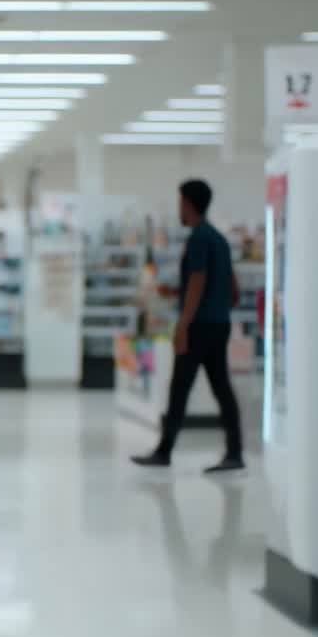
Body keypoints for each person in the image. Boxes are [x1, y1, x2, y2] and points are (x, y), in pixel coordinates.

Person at [132, 179, 245, 474]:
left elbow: (197, 281)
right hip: (218, 324)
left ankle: (164, 451)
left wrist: (183, 326)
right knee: (222, 388)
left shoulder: (198, 238)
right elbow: (233, 289)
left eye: (181, 202)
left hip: (198, 327)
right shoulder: (218, 239)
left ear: (190, 204)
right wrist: (210, 305)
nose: (179, 208)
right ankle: (235, 452)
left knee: (179, 387)